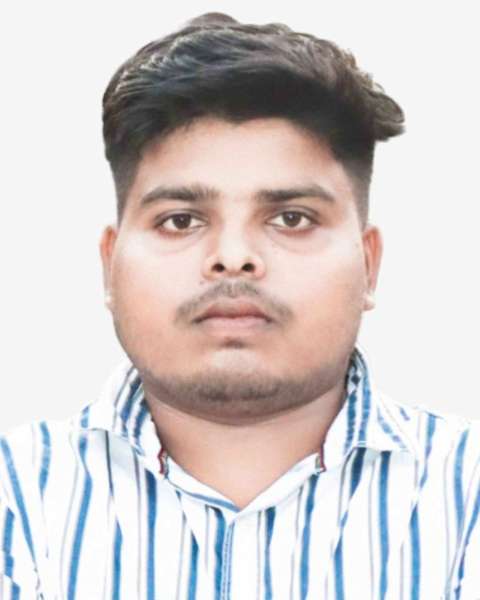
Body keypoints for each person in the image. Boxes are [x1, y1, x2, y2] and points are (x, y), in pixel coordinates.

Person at [0, 11, 478, 600]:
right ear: (109, 264)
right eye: (181, 220)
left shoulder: (467, 495)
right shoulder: (15, 497)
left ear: (369, 263)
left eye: (291, 218)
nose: (233, 258)